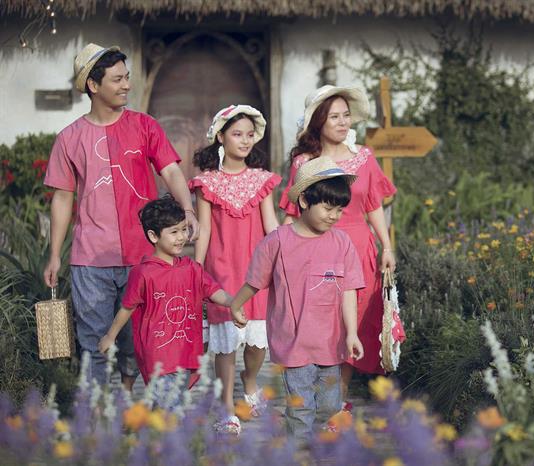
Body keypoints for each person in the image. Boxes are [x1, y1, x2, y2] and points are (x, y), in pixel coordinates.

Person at [43, 43, 199, 388]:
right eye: (118, 79)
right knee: (93, 340)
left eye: (127, 77)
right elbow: (63, 198)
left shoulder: (145, 126)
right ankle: (97, 409)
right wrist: (54, 254)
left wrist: (188, 209)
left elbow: (171, 171)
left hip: (143, 255)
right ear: (93, 85)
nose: (127, 84)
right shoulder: (69, 139)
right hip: (91, 258)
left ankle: (126, 398)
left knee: (137, 338)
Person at [279, 85, 404, 405]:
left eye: (346, 115)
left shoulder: (365, 157)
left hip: (359, 250)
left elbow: (374, 206)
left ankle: (339, 400)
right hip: (316, 251)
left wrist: (387, 247)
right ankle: (313, 389)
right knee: (319, 321)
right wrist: (283, 253)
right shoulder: (304, 162)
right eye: (334, 116)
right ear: (319, 121)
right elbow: (293, 212)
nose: (342, 122)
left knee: (354, 322)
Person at [230, 157, 365, 442]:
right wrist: (236, 304)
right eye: (327, 208)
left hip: (331, 342)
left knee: (329, 405)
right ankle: (297, 451)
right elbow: (254, 281)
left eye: (339, 210)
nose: (334, 216)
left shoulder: (342, 243)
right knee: (301, 409)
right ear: (304, 200)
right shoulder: (277, 241)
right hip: (293, 343)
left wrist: (352, 333)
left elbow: (349, 290)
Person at [98, 196, 246, 414]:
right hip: (158, 355)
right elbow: (127, 307)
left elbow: (215, 292)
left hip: (186, 351)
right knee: (171, 407)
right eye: (174, 232)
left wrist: (234, 304)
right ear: (153, 236)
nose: (181, 237)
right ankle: (163, 433)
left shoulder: (192, 269)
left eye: (184, 230)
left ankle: (154, 432)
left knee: (169, 405)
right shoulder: (143, 273)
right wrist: (110, 336)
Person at [189, 105, 281, 422]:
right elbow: (204, 230)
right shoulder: (206, 183)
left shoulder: (261, 179)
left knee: (257, 341)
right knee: (226, 340)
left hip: (257, 268)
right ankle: (227, 406)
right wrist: (197, 268)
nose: (244, 140)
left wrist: (286, 255)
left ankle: (250, 382)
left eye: (249, 135)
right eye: (237, 134)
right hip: (221, 267)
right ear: (221, 137)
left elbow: (271, 225)